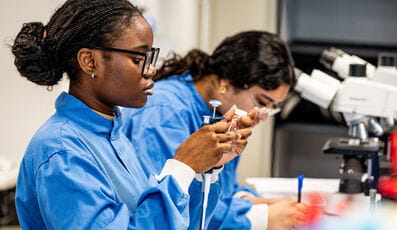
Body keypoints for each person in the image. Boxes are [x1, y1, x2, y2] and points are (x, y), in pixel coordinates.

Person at [11, 0, 255, 229]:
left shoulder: (112, 135)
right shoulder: (61, 149)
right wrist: (182, 166)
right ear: (90, 61)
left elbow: (174, 223)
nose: (151, 69)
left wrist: (204, 169)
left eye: (150, 56)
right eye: (139, 58)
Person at [121, 31, 308, 230]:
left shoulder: (220, 113)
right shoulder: (164, 114)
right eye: (262, 102)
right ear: (225, 82)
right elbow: (168, 204)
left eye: (273, 108)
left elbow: (222, 189)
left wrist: (248, 201)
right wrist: (258, 217)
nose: (263, 115)